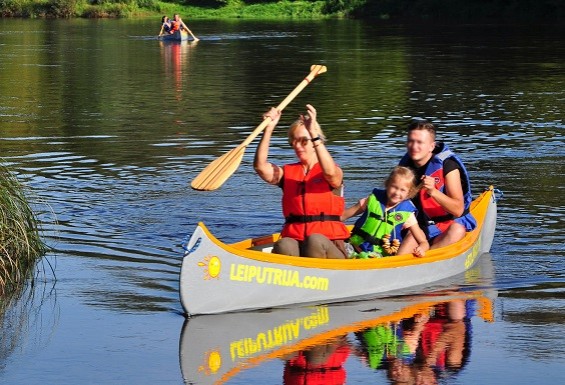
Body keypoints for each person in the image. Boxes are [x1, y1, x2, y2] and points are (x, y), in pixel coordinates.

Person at [253, 104, 350, 259]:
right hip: (298, 243)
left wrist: (313, 133)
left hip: (329, 246)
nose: (297, 146)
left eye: (304, 141)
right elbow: (261, 167)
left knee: (315, 240)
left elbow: (331, 174)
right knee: (284, 244)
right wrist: (268, 129)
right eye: (294, 142)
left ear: (314, 141)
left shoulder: (333, 170)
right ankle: (290, 278)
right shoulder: (287, 173)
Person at [398, 119, 476, 249]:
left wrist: (433, 192)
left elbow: (457, 210)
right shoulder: (405, 166)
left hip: (447, 224)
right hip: (419, 225)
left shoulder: (448, 166)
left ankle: (429, 255)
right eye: (411, 141)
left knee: (457, 230)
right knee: (409, 240)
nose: (414, 146)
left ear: (431, 146)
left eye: (419, 142)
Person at [342, 166, 429, 258]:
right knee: (339, 246)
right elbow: (343, 215)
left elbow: (423, 242)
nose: (397, 193)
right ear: (387, 184)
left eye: (402, 190)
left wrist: (422, 248)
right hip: (354, 246)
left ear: (409, 192)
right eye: (394, 187)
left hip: (378, 255)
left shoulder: (407, 214)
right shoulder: (372, 199)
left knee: (365, 257)